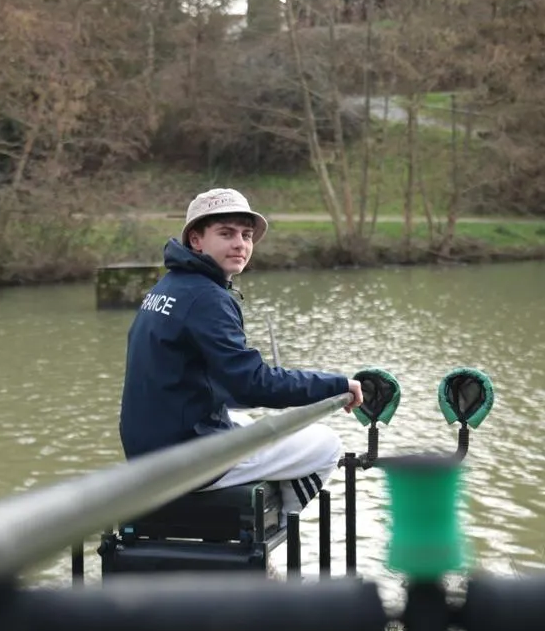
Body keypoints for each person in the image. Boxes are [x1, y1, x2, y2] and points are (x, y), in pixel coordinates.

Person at [118, 187, 363, 518]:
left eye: (246, 235)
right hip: (186, 461)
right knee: (326, 443)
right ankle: (279, 531)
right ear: (196, 240)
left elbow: (196, 374)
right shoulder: (208, 298)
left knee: (245, 420)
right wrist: (337, 386)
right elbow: (253, 384)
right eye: (226, 233)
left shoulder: (167, 287)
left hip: (147, 453)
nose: (240, 244)